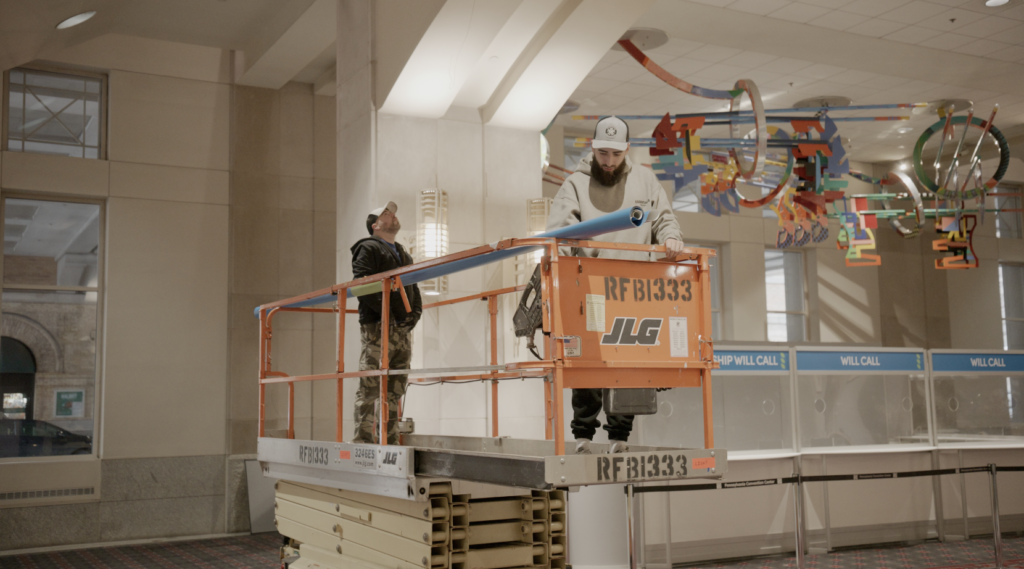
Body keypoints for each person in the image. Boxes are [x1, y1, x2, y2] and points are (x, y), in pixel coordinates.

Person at [547, 116, 685, 454]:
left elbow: (664, 218)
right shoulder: (575, 184)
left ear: (627, 150)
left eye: (616, 154)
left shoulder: (646, 181)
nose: (608, 161)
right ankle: (583, 435)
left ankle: (619, 436)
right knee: (591, 358)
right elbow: (558, 233)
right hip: (592, 289)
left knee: (630, 361)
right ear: (593, 148)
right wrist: (563, 272)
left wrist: (671, 236)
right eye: (603, 153)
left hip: (634, 291)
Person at [350, 201, 422, 445]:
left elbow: (413, 286)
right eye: (386, 214)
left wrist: (415, 314)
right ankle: (363, 441)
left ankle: (389, 441)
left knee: (395, 389)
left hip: (402, 328)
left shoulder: (403, 253)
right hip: (378, 327)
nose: (392, 216)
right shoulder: (368, 248)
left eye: (392, 213)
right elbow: (362, 285)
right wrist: (388, 313)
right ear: (375, 225)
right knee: (370, 386)